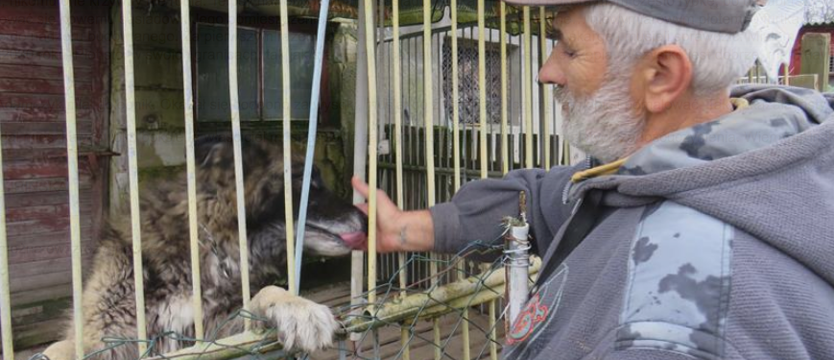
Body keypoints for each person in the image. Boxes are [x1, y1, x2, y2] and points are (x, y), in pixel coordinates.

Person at [352, 0, 834, 359]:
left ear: (662, 76)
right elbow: (546, 198)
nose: (546, 71)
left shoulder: (667, 330)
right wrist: (402, 229)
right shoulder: (721, 157)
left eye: (569, 48)